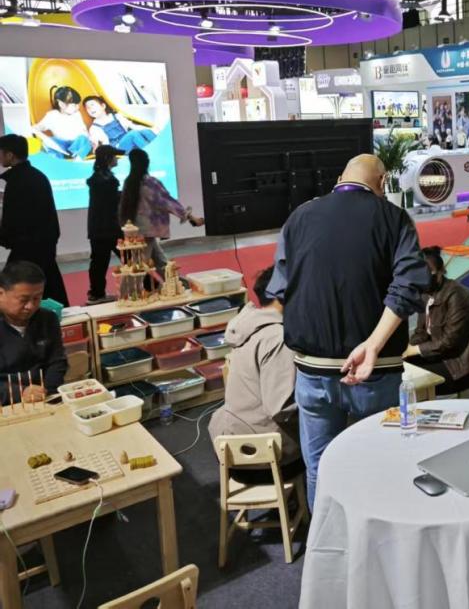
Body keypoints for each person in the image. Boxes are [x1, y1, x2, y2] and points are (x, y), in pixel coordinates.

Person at [268, 154, 429, 508]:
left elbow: (280, 290)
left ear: (340, 178)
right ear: (382, 183)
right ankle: (380, 536)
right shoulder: (394, 218)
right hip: (377, 369)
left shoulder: (298, 218)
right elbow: (409, 286)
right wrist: (372, 345)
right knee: (380, 465)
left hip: (312, 371)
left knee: (320, 469)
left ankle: (327, 541)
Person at [208, 266, 303, 484]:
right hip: (263, 460)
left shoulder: (246, 325)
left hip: (229, 445)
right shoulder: (277, 337)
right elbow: (281, 408)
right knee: (330, 434)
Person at [405, 246, 469, 395]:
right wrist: (408, 348)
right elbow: (421, 332)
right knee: (400, 369)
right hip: (440, 355)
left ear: (440, 272)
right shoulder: (426, 294)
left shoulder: (456, 295)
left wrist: (414, 350)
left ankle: (423, 406)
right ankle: (419, 404)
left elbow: (449, 341)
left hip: (463, 367)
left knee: (412, 380)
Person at [0, 134, 67, 306]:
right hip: (44, 242)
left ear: (10, 155)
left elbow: (13, 218)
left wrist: (5, 237)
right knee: (49, 286)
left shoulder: (16, 181)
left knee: (16, 288)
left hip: (27, 246)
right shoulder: (38, 176)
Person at [118, 148, 204, 277]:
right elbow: (167, 202)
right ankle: (130, 291)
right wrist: (193, 218)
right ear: (146, 162)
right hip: (147, 231)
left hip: (136, 230)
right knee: (139, 269)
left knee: (160, 261)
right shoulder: (150, 182)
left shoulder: (128, 182)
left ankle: (177, 284)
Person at [0, 261, 67, 406]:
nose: (30, 306)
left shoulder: (48, 318)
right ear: (1, 294)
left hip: (45, 398)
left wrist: (47, 391)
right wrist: (20, 393)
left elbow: (57, 361)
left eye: (37, 298)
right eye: (23, 300)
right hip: (6, 404)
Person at [86, 145, 121, 304]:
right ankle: (150, 286)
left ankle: (97, 293)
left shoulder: (99, 178)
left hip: (99, 228)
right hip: (108, 227)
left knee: (99, 262)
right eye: (115, 156)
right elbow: (111, 203)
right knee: (130, 258)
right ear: (108, 158)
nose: (117, 158)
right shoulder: (106, 180)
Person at [31, 85, 93, 160]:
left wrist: (88, 138)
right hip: (62, 145)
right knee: (50, 141)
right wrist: (35, 128)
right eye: (74, 105)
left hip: (76, 145)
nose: (78, 107)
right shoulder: (52, 115)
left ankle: (77, 158)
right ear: (62, 104)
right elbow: (41, 126)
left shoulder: (77, 114)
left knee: (84, 139)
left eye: (78, 105)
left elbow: (83, 130)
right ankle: (56, 159)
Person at [83, 95, 156, 153]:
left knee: (146, 131)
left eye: (92, 105)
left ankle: (160, 148)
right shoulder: (94, 127)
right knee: (133, 134)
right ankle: (151, 154)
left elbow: (133, 126)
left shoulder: (116, 116)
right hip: (116, 148)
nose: (90, 108)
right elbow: (102, 143)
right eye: (87, 108)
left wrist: (151, 128)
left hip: (128, 141)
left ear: (103, 106)